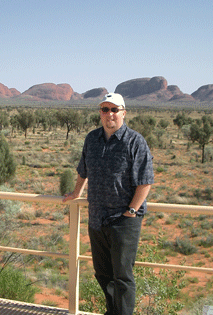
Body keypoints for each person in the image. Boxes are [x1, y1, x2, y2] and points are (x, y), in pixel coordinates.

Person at [63, 92, 154, 315]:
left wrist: (131, 211)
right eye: (105, 109)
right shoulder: (91, 139)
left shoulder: (135, 141)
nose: (109, 114)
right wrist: (76, 192)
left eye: (114, 110)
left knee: (122, 277)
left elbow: (145, 181)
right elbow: (83, 171)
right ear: (100, 113)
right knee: (102, 273)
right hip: (97, 217)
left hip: (123, 220)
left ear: (123, 113)